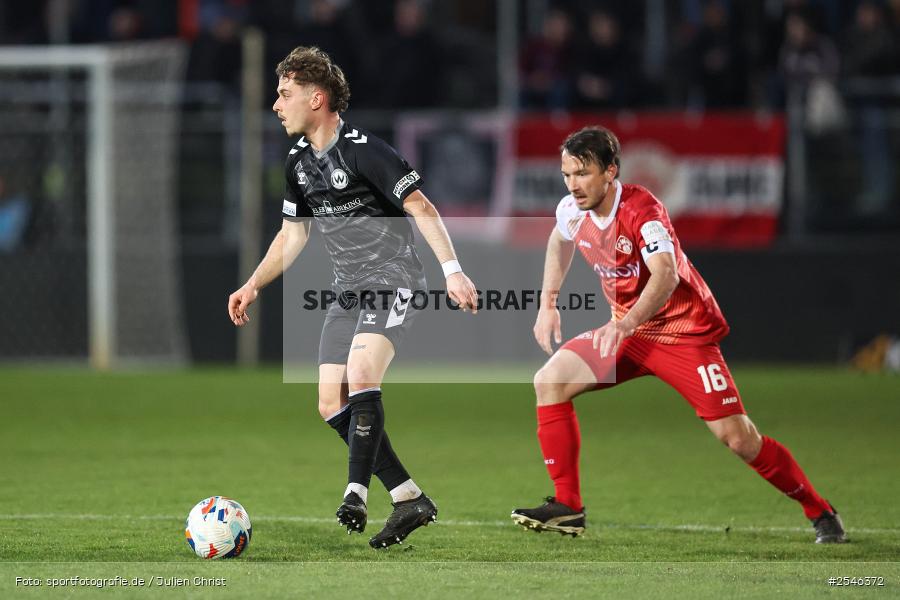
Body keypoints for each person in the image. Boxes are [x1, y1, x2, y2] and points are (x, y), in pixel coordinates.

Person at [510, 126, 846, 544]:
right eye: (566, 175)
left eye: (583, 173)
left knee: (738, 438)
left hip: (681, 333)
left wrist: (625, 324)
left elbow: (666, 276)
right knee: (550, 381)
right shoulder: (571, 210)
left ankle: (819, 510)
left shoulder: (643, 211)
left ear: (611, 171)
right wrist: (548, 303)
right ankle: (568, 507)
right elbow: (559, 241)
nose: (573, 185)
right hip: (627, 331)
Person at [228, 46, 478, 549]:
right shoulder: (298, 163)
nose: (276, 104)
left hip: (394, 279)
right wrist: (253, 283)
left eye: (285, 94)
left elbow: (421, 207)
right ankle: (408, 497)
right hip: (347, 291)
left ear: (316, 99)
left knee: (362, 374)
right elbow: (293, 234)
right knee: (329, 402)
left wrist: (453, 271)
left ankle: (356, 492)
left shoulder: (366, 150)